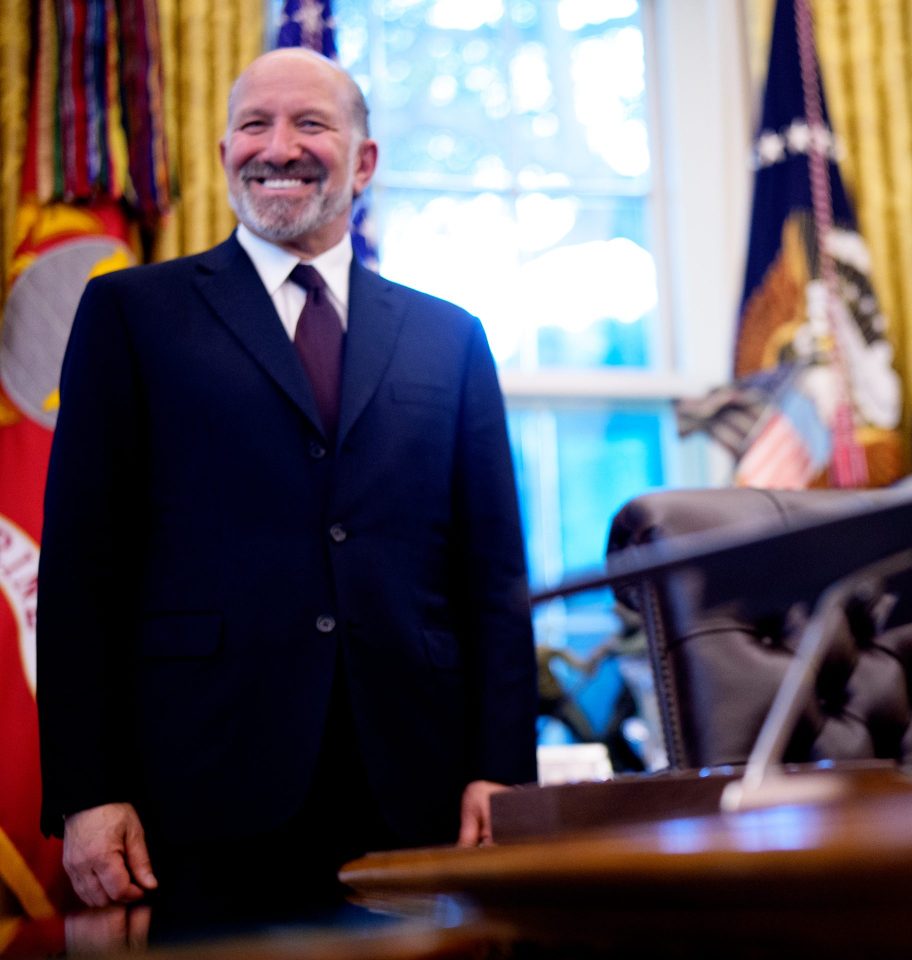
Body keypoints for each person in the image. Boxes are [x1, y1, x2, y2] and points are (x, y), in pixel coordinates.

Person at [37, 48, 537, 911]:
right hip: (194, 792)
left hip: (414, 790)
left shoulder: (450, 337)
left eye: (310, 124)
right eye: (254, 125)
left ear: (364, 161)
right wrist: (88, 790)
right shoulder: (133, 314)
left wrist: (503, 771)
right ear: (225, 151)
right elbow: (83, 570)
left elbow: (493, 579)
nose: (278, 147)